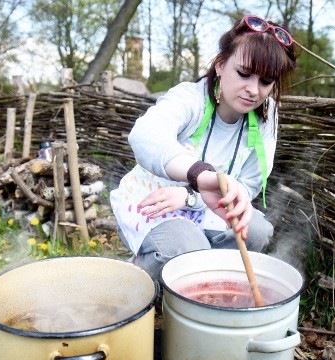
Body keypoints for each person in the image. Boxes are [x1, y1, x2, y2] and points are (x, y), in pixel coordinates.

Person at [110, 15, 298, 282]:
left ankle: (204, 283)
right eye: (244, 74)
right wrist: (198, 175)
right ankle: (136, 279)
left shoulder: (267, 118)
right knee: (188, 249)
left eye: (266, 82)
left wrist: (191, 197)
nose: (253, 90)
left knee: (256, 230)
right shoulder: (190, 98)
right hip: (155, 202)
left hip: (209, 205)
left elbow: (250, 183)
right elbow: (145, 134)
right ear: (221, 65)